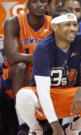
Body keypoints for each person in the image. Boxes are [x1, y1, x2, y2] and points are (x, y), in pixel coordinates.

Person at [16, 8, 81, 135]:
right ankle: (36, 129)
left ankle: (75, 129)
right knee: (23, 95)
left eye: (74, 24)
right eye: (67, 24)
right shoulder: (43, 48)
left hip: (70, 96)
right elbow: (43, 92)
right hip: (46, 99)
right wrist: (55, 126)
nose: (73, 28)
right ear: (55, 27)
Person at [3, 0, 52, 133]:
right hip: (15, 77)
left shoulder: (54, 23)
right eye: (35, 1)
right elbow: (12, 58)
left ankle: (59, 123)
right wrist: (40, 59)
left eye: (43, 1)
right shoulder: (13, 23)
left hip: (43, 74)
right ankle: (23, 124)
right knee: (20, 67)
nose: (40, 5)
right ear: (27, 5)